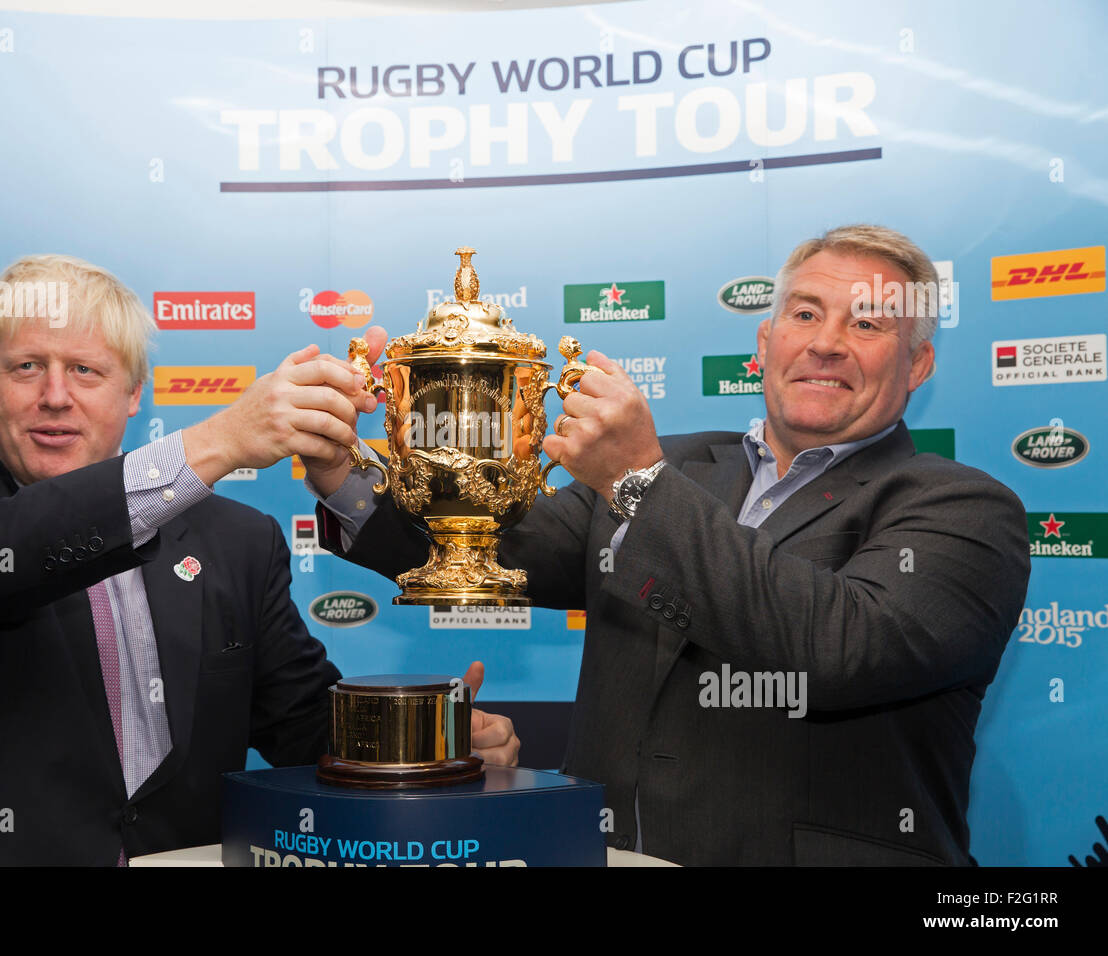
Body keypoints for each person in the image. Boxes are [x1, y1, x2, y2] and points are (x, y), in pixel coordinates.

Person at [309, 225, 1031, 866]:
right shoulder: (677, 468)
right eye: (804, 313)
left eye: (867, 322)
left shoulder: (965, 508)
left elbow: (839, 647)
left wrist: (638, 480)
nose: (825, 341)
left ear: (919, 365)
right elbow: (493, 541)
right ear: (764, 342)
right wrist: (346, 473)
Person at [0, 254, 517, 866]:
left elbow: (305, 729)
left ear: (134, 395)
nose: (55, 395)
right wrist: (224, 438)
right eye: (26, 368)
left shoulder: (238, 541)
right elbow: (1, 552)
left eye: (86, 370)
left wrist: (435, 745)